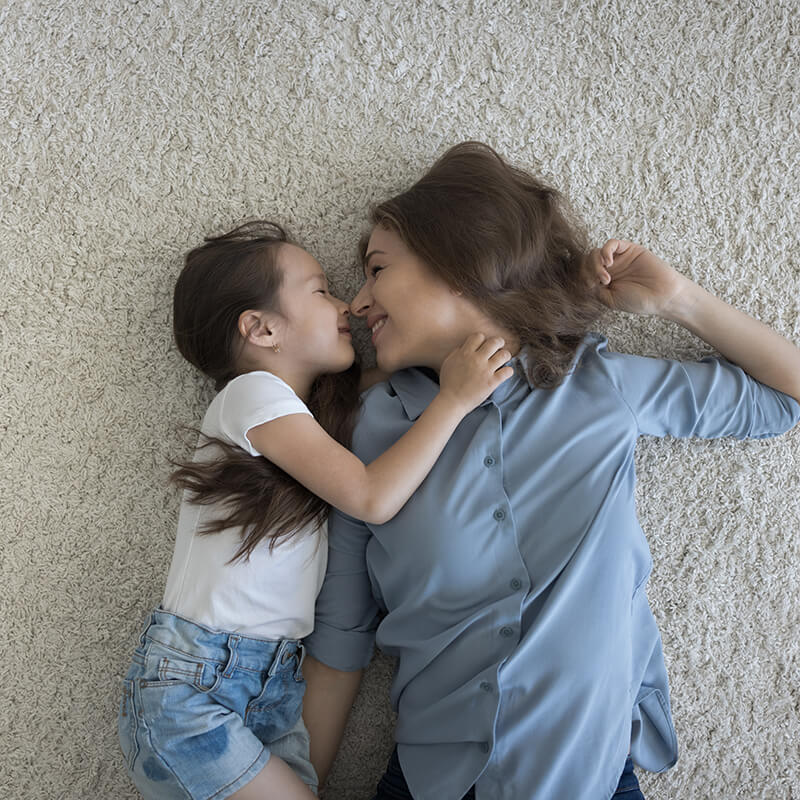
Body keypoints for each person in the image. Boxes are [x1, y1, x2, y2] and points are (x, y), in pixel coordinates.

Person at [300, 142, 800, 800]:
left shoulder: (599, 385)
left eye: (376, 270)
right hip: (433, 784)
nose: (358, 303)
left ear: (458, 261)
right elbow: (339, 640)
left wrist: (679, 300)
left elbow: (783, 398)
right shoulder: (372, 433)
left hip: (592, 777)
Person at [117, 220, 516, 800]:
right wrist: (454, 400)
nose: (346, 306)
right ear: (261, 328)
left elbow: (412, 368)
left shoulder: (310, 418)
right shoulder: (250, 396)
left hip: (269, 683)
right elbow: (372, 496)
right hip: (192, 690)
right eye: (322, 289)